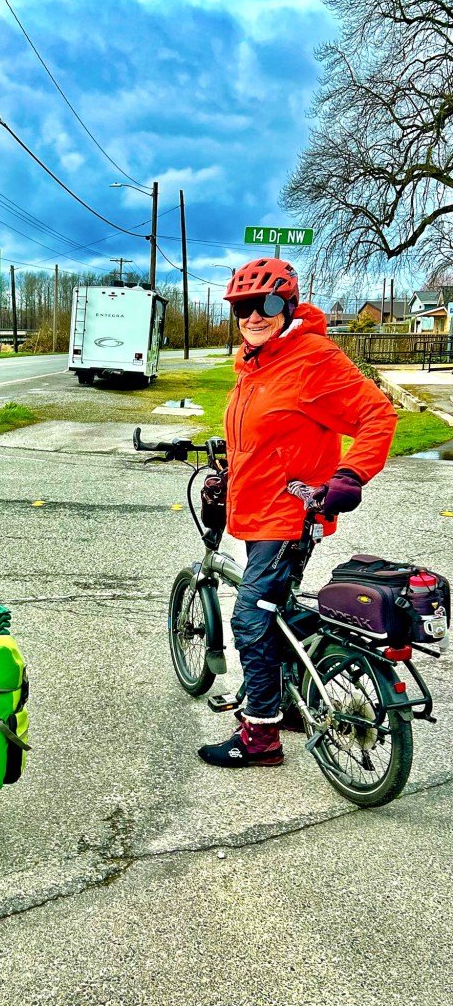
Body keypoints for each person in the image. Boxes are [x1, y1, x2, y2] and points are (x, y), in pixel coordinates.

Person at [197, 257, 398, 768]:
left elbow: (377, 414)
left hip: (288, 515)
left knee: (251, 616)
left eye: (266, 305)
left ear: (288, 306)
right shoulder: (255, 364)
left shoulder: (311, 359)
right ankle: (289, 699)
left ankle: (259, 735)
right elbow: (269, 436)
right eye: (243, 307)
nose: (253, 316)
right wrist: (230, 469)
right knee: (275, 609)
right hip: (259, 511)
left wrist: (351, 474)